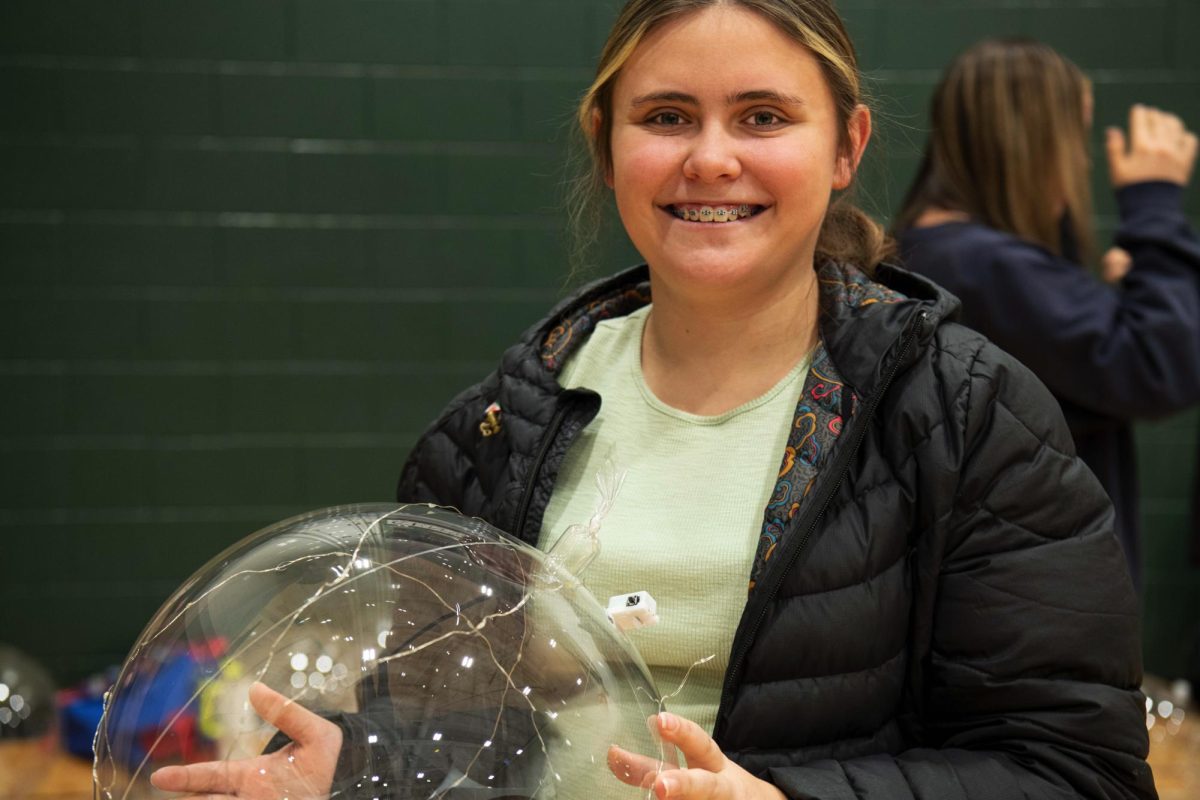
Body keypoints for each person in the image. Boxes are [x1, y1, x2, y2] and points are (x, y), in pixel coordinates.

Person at [151, 3, 1155, 799]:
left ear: (845, 146)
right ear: (606, 140)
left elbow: (1081, 770)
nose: (709, 158)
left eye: (762, 116)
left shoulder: (970, 416)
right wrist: (358, 772)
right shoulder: (494, 434)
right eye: (667, 115)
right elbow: (451, 742)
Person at [892, 38, 1200, 586]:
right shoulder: (989, 265)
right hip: (1036, 590)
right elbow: (1161, 367)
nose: (1080, 162)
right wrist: (1154, 208)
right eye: (1073, 138)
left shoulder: (934, 250)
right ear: (1029, 141)